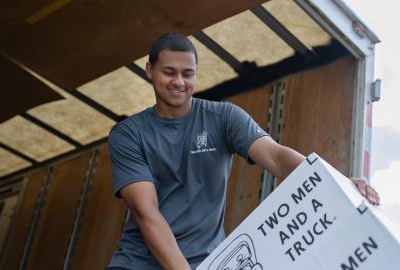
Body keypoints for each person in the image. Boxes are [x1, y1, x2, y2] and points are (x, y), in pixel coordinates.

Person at [105, 32, 380, 270]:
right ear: (150, 70)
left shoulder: (222, 117)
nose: (179, 81)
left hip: (207, 261)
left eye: (187, 73)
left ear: (196, 75)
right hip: (137, 262)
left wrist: (339, 183)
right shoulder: (129, 134)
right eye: (169, 72)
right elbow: (146, 213)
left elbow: (276, 157)